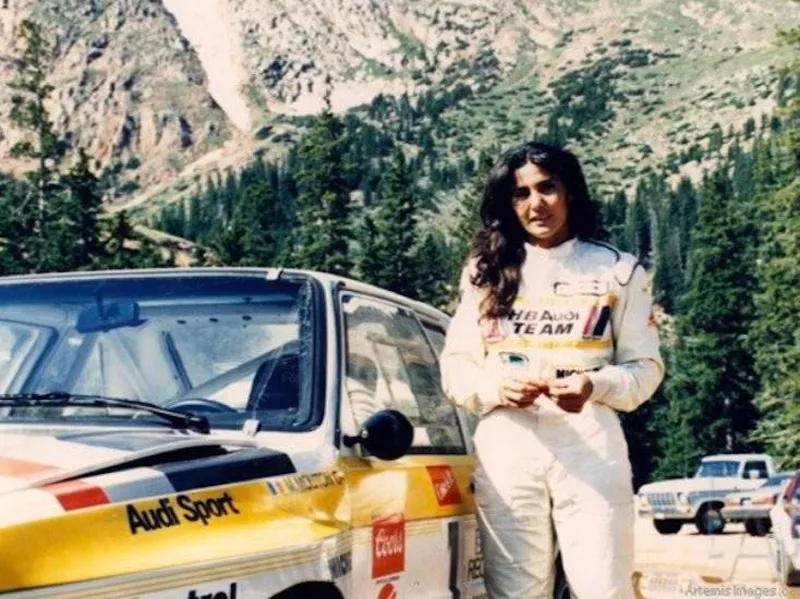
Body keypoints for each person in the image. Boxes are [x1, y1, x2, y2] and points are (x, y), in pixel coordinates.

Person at [440, 141, 664, 599]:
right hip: (508, 447)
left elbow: (646, 369)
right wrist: (498, 387)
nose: (536, 204)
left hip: (591, 443)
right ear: (507, 202)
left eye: (548, 188)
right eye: (521, 193)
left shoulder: (617, 270)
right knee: (517, 593)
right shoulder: (484, 271)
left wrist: (595, 384)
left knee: (603, 587)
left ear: (570, 192)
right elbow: (457, 369)